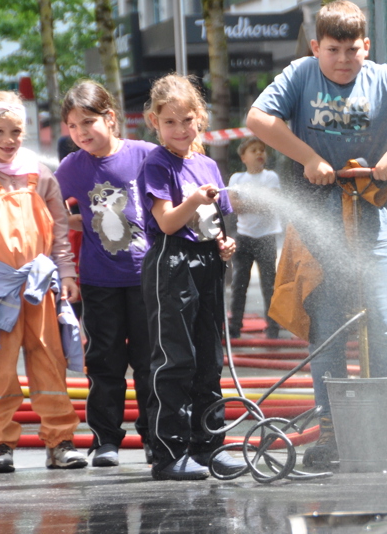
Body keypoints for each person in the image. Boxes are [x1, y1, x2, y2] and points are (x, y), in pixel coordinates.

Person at [246, 0, 387, 468]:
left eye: (352, 50)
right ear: (317, 47)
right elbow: (258, 119)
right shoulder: (300, 75)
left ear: (366, 46)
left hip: (373, 216)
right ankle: (332, 437)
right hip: (317, 219)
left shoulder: (381, 78)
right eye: (333, 50)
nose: (343, 60)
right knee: (327, 331)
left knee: (383, 325)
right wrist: (309, 158)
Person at [0, 90, 87, 473]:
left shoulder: (39, 175)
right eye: (0, 131)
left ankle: (60, 441)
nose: (9, 139)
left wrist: (66, 273)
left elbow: (60, 231)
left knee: (50, 362)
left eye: (16, 131)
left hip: (42, 287)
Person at [137, 74, 243, 481]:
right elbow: (166, 222)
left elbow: (217, 219)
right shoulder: (157, 163)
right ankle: (169, 451)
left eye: (187, 120)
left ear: (200, 118)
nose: (180, 130)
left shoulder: (208, 164)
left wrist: (224, 242)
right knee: (175, 358)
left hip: (206, 264)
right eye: (170, 122)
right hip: (171, 265)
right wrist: (194, 199)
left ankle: (210, 446)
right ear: (154, 122)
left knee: (208, 359)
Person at [55, 81, 156, 468]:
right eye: (73, 126)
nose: (81, 133)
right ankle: (106, 440)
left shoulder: (146, 155)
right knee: (105, 361)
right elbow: (54, 213)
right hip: (99, 281)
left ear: (110, 118)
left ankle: (154, 436)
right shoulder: (72, 167)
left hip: (147, 277)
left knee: (149, 362)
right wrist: (85, 221)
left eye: (88, 122)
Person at [228, 137, 282, 339]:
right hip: (244, 238)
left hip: (266, 237)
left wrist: (247, 205)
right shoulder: (237, 179)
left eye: (262, 150)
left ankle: (273, 326)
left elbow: (271, 206)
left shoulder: (271, 177)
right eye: (254, 150)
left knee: (270, 284)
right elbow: (234, 207)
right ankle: (235, 326)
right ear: (243, 157)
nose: (259, 153)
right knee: (238, 284)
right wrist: (258, 204)